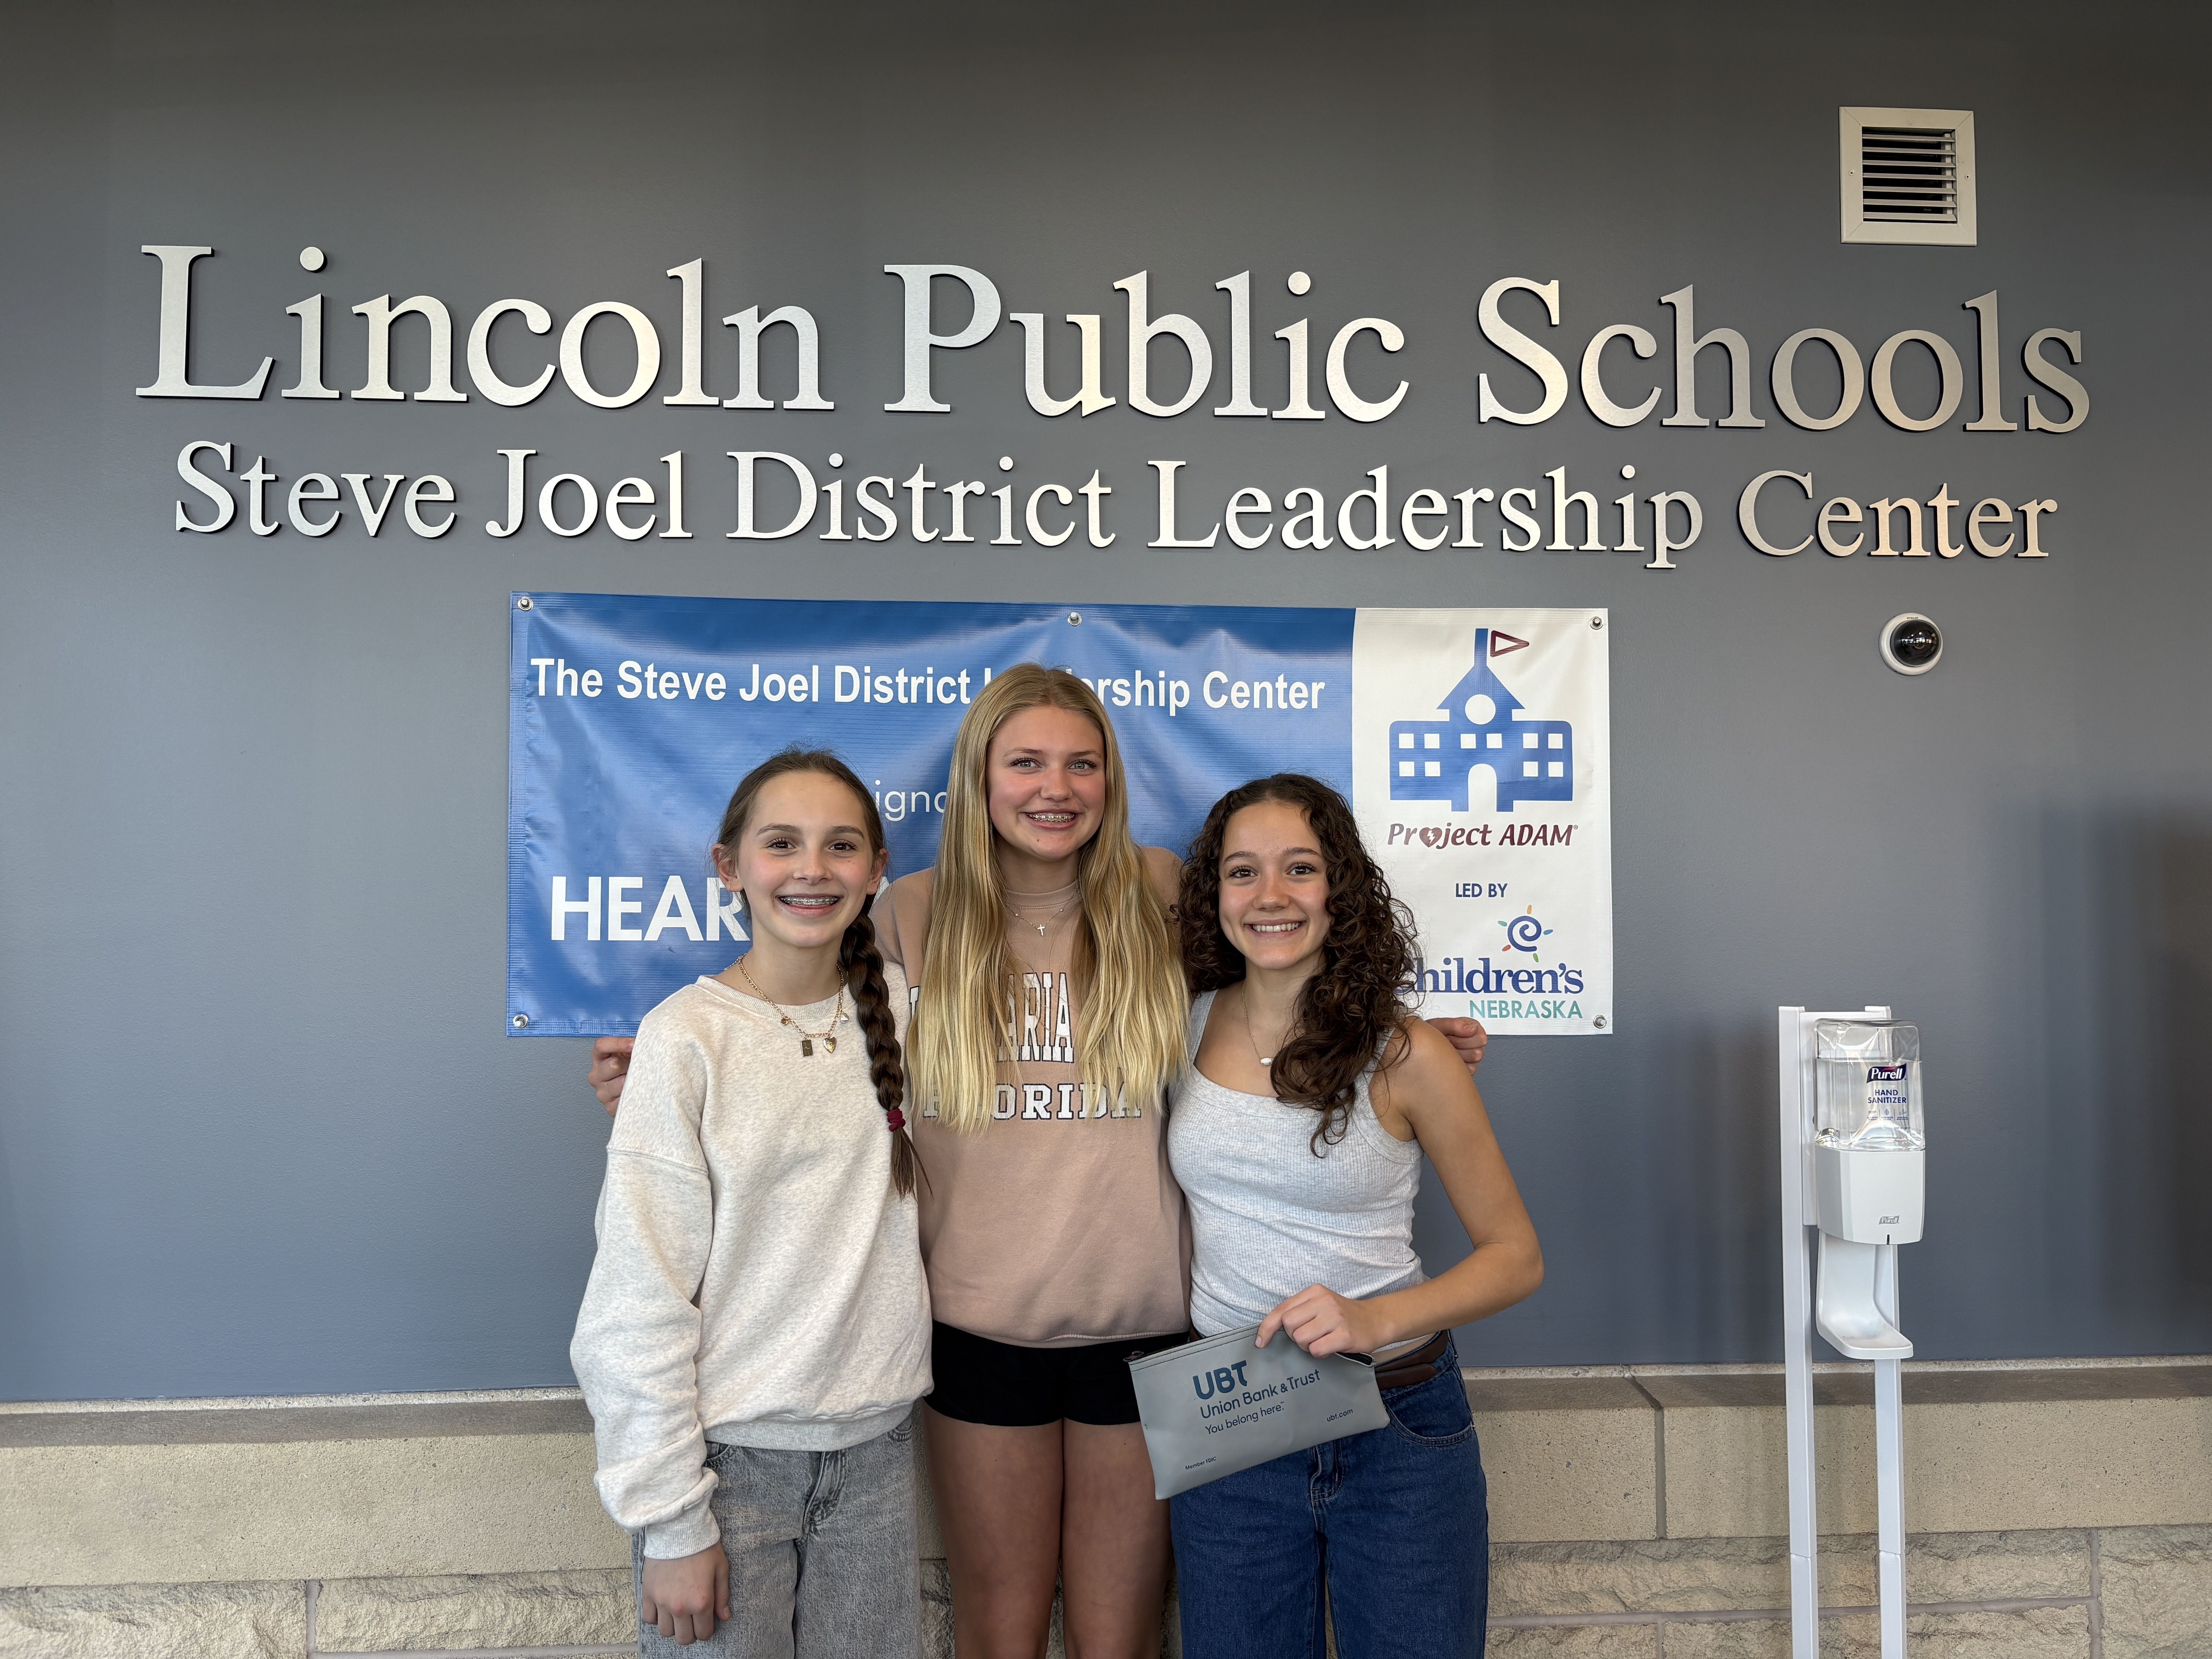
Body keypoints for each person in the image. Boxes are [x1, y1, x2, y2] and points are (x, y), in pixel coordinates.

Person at [586, 666, 1494, 1659]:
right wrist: (668, 1070)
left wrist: (1393, 1039)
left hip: (1152, 1335)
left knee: (1120, 1639)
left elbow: (1272, 983)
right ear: (980, 777)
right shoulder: (909, 914)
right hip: (977, 1332)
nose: (1053, 787)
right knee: (1001, 1635)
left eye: (1081, 764)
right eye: (1025, 763)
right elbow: (804, 1024)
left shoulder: (1158, 892)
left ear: (1111, 780)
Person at [1165, 773, 1543, 1659]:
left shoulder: (1405, 1052)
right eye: (1242, 872)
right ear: (1213, 892)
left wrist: (1372, 1318)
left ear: (1342, 888)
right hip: (1234, 1421)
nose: (1270, 897)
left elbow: (1515, 1256)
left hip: (1396, 1420)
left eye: (1301, 868)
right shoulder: (1176, 1027)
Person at [570, 749, 931, 1654]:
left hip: (879, 1458)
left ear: (878, 870)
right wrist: (671, 1522)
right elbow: (636, 1296)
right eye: (782, 844)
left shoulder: (915, 1018)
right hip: (727, 1472)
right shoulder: (684, 1039)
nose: (813, 869)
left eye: (842, 846)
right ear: (729, 867)